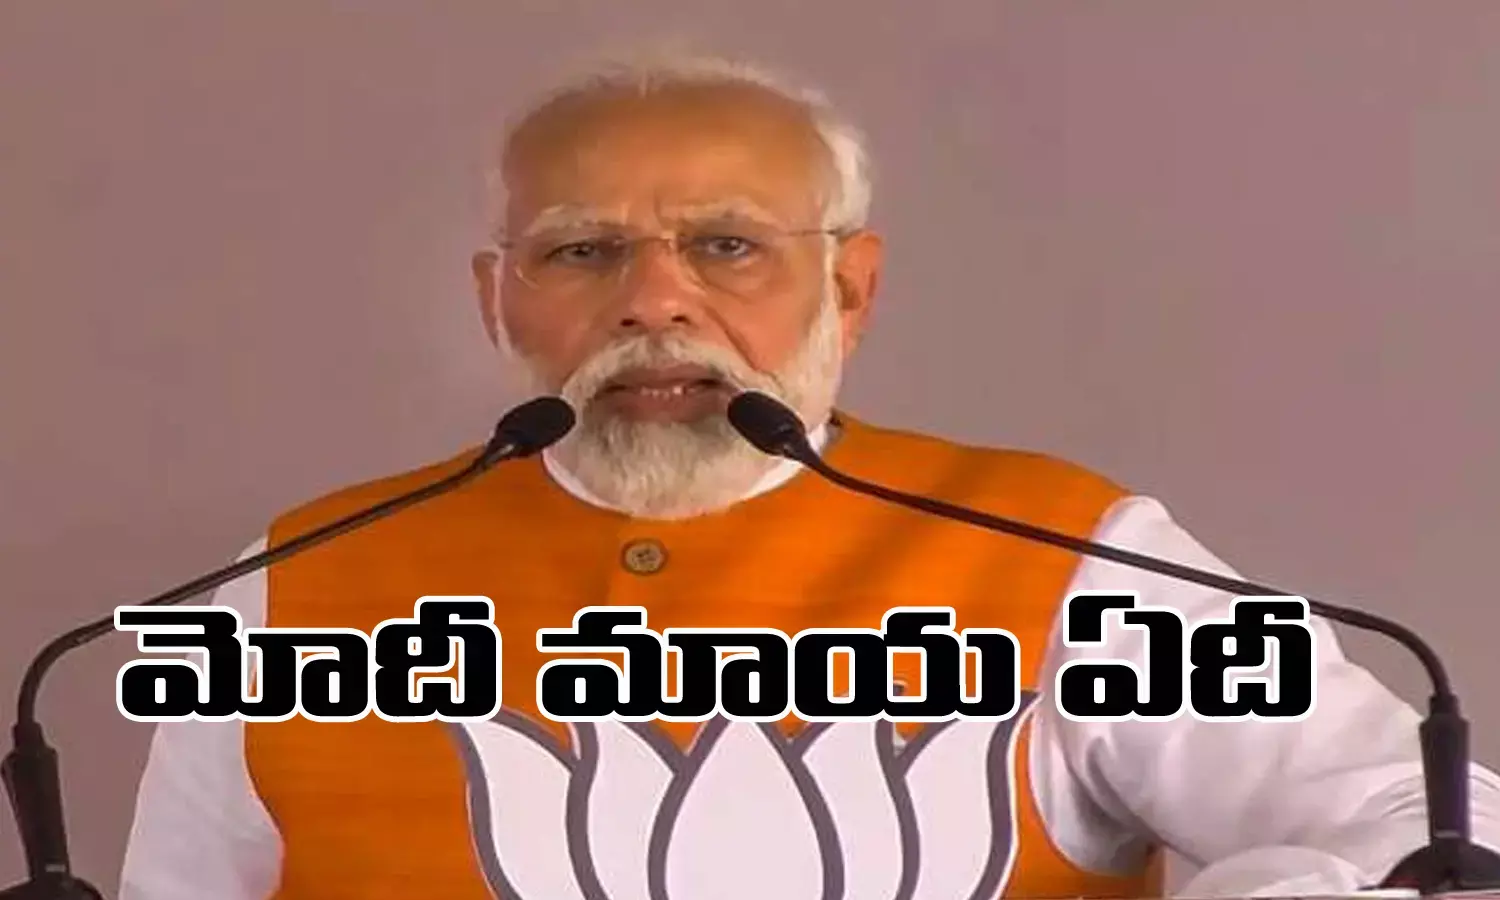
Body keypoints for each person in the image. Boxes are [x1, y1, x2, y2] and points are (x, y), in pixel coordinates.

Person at [118, 49, 1500, 900]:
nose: (653, 301)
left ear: (849, 288)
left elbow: (1423, 821)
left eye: (727, 246)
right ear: (499, 300)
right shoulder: (296, 593)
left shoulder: (1062, 552)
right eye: (581, 251)